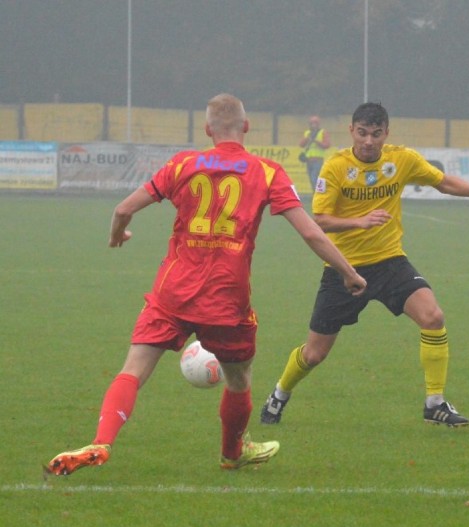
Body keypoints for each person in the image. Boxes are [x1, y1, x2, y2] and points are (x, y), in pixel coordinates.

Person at [45, 93, 366, 476]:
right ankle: (232, 453)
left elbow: (123, 209)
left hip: (173, 291)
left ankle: (102, 440)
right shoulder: (265, 171)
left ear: (207, 129)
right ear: (246, 127)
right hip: (226, 298)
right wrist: (349, 271)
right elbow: (311, 233)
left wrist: (118, 234)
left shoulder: (183, 164)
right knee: (238, 378)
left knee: (132, 370)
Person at [260, 101, 469, 428]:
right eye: (362, 133)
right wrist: (359, 222)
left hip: (391, 262)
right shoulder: (336, 167)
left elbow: (441, 181)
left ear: (386, 133)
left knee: (433, 317)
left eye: (376, 134)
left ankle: (434, 403)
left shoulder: (401, 159)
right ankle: (279, 394)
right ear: (351, 131)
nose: (368, 141)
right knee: (314, 354)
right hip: (344, 269)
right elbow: (319, 220)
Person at [300, 115, 332, 192]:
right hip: (308, 161)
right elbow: (301, 144)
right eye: (311, 123)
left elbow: (327, 145)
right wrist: (307, 138)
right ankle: (316, 196)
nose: (313, 125)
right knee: (311, 180)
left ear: (318, 124)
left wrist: (316, 141)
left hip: (318, 161)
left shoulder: (322, 132)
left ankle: (319, 196)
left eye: (315, 123)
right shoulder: (307, 133)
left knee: (315, 179)